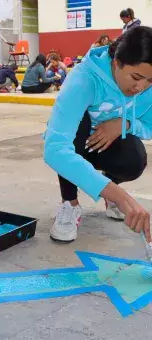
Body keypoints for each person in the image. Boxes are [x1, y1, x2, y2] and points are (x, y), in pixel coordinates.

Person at [44, 26, 152, 244]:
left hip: (104, 147)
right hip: (78, 145)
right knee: (79, 123)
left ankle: (108, 191)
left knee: (134, 158)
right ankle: (70, 204)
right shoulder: (84, 78)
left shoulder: (146, 87)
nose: (141, 87)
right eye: (136, 77)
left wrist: (125, 123)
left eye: (150, 81)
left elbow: (149, 126)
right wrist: (122, 198)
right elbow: (54, 148)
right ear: (116, 62)